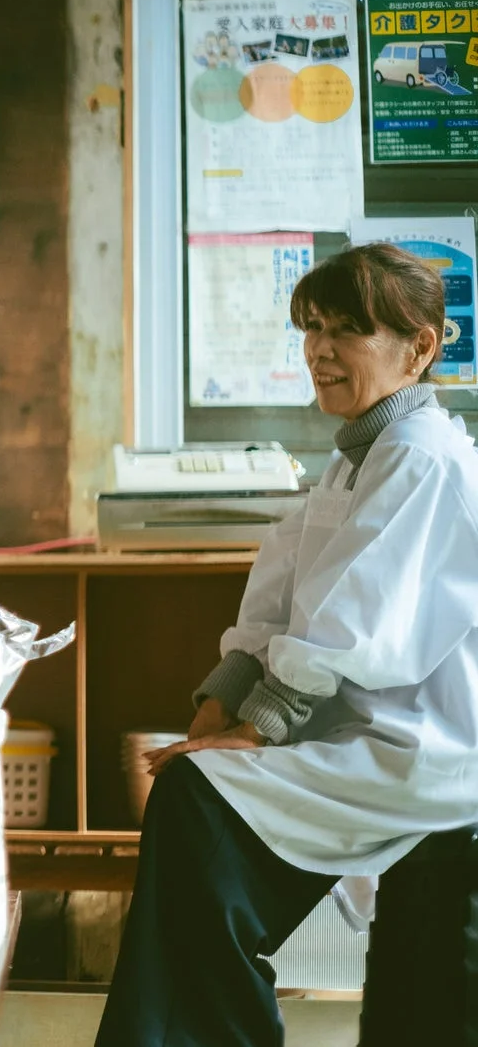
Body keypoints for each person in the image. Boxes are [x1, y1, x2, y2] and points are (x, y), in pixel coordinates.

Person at [97, 243, 478, 1047]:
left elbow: (348, 625)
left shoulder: (422, 457)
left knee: (199, 806)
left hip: (424, 755)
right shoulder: (355, 460)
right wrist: (217, 708)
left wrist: (256, 727)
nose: (321, 351)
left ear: (420, 347)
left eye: (349, 330)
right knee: (196, 792)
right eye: (312, 327)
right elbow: (280, 593)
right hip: (363, 740)